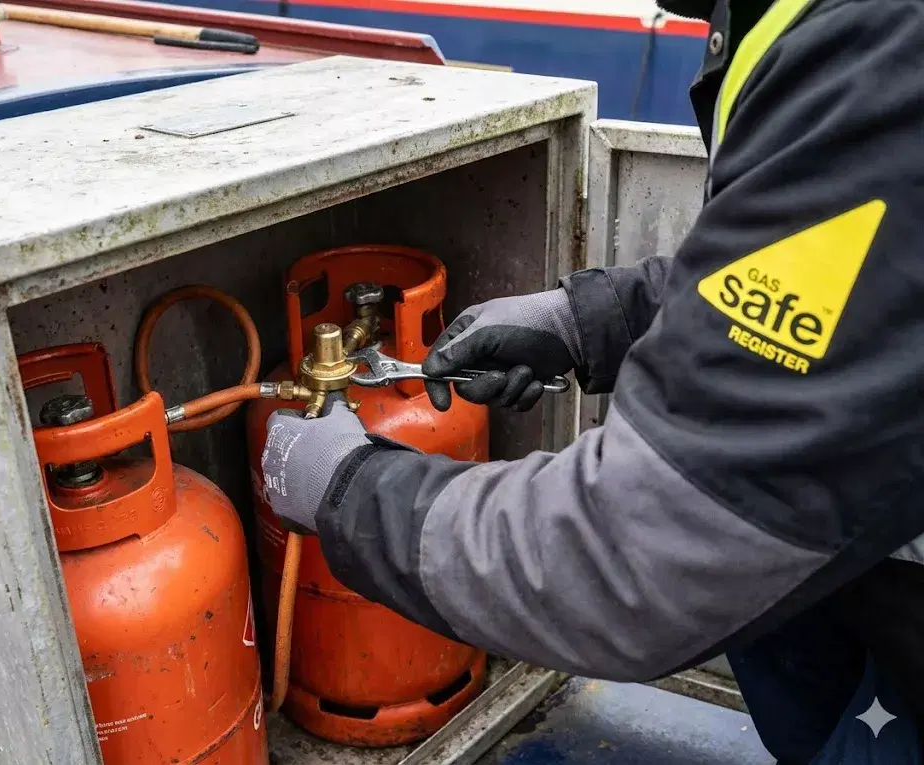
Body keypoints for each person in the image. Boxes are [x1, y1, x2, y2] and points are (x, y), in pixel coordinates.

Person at [260, 0, 924, 761]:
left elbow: (635, 556)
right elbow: (847, 286)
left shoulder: (885, 39)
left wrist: (347, 493)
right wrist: (594, 322)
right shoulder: (798, 21)